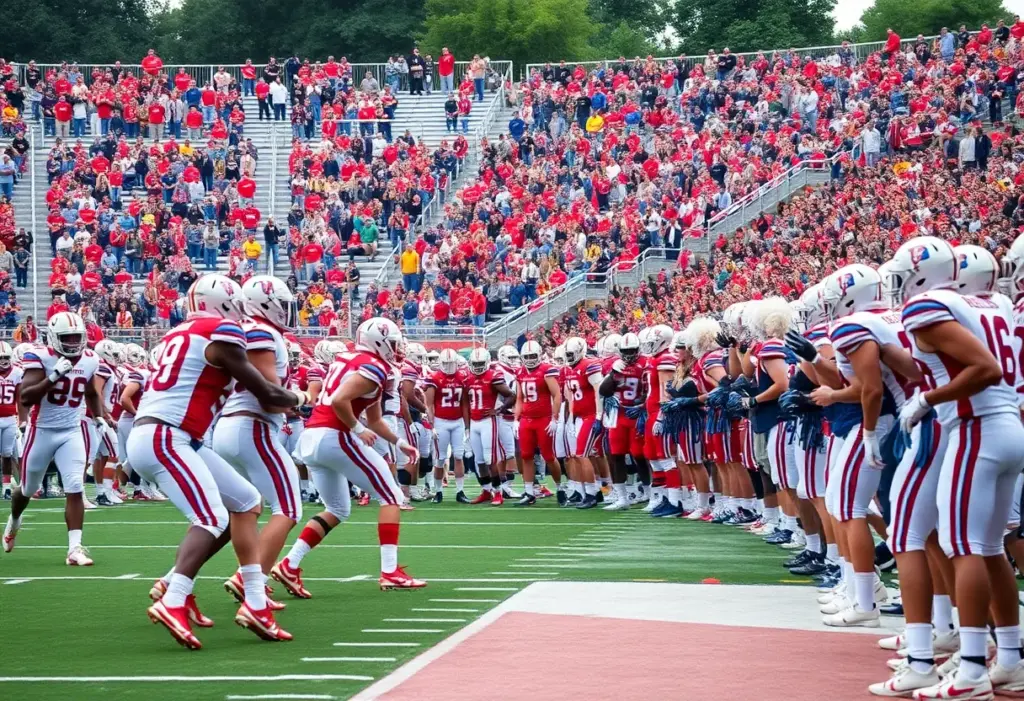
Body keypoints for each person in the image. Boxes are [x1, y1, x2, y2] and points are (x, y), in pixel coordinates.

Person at [128, 275, 305, 649]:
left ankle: (255, 603)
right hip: (167, 435)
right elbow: (265, 391)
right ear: (224, 303)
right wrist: (300, 397)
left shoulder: (181, 333)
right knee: (211, 518)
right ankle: (174, 598)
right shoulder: (219, 331)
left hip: (174, 435)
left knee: (245, 501)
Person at [273, 318, 426, 595]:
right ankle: (390, 571)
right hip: (335, 435)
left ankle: (289, 564)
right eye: (392, 343)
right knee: (392, 496)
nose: (396, 349)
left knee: (338, 509)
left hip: (313, 438)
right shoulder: (373, 367)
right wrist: (357, 428)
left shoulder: (352, 361)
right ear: (378, 342)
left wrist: (400, 442)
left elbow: (376, 419)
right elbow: (340, 400)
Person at [213, 276, 303, 608]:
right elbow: (268, 396)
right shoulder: (261, 332)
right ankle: (250, 580)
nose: (288, 311)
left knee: (237, 511)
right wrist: (300, 399)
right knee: (288, 508)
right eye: (283, 304)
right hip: (252, 426)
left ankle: (174, 580)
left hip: (229, 425)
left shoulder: (241, 328)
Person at [4, 313, 104, 567]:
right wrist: (53, 376)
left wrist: (99, 417)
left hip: (71, 431)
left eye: (76, 337)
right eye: (66, 337)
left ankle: (74, 549)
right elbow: (26, 398)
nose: (72, 343)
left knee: (75, 486)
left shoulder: (90, 359)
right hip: (42, 431)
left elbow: (91, 392)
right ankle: (14, 520)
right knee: (27, 489)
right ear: (53, 337)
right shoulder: (40, 357)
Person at [424, 348, 470, 503]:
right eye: (446, 363)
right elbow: (429, 404)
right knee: (440, 459)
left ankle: (460, 491)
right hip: (441, 421)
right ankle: (438, 491)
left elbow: (465, 404)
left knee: (458, 456)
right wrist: (432, 425)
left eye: (451, 363)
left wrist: (467, 425)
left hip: (457, 422)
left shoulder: (462, 376)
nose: (449, 366)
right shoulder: (434, 377)